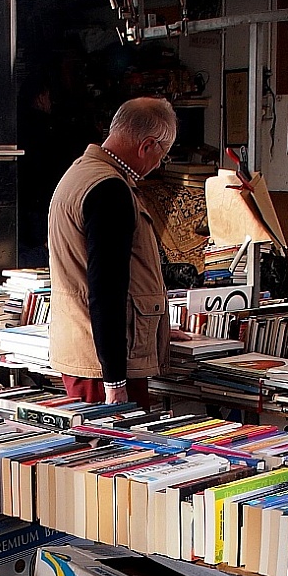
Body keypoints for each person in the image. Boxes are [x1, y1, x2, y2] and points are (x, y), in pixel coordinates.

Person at [47, 95, 188, 409]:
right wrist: (115, 381)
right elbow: (107, 291)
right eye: (163, 154)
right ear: (147, 146)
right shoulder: (110, 189)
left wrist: (158, 330)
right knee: (117, 452)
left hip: (87, 349)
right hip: (103, 362)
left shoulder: (81, 173)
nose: (159, 164)